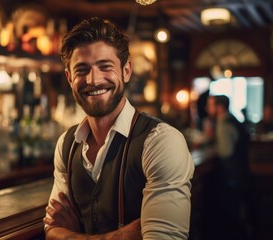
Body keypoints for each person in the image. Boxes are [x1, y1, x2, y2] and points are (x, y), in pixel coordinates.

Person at [43, 17, 195, 239]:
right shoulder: (66, 145)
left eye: (105, 67)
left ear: (126, 71)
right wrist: (122, 236)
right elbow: (52, 231)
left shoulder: (161, 141)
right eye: (82, 69)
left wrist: (71, 236)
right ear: (69, 78)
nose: (93, 80)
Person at [205, 95, 252, 240]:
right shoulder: (229, 119)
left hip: (232, 177)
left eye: (210, 105)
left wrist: (211, 148)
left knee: (232, 216)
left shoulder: (224, 123)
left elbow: (226, 152)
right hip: (239, 175)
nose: (208, 109)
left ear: (219, 107)